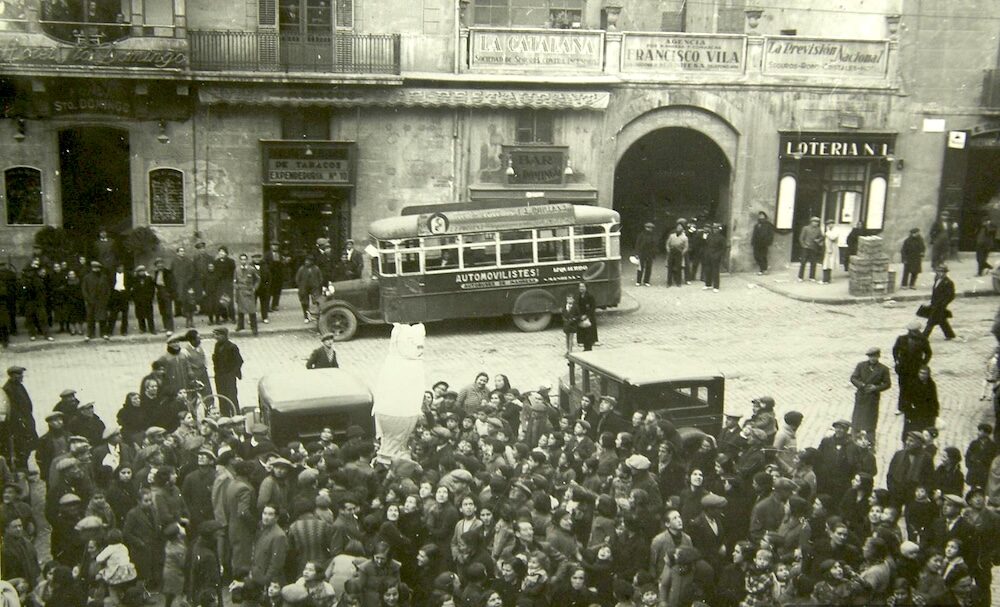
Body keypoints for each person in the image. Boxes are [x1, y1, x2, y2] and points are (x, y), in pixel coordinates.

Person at [849, 347, 891, 439]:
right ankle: (854, 439)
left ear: (878, 356)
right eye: (871, 356)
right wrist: (862, 385)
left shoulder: (883, 369)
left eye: (875, 356)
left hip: (873, 398)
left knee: (870, 423)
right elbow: (853, 378)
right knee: (857, 421)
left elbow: (887, 384)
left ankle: (870, 442)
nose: (872, 358)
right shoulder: (861, 366)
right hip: (861, 396)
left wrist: (876, 388)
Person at [893, 320, 932, 417]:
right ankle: (902, 407)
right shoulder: (901, 339)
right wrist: (897, 360)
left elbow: (928, 353)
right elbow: (895, 350)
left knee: (916, 386)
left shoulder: (923, 340)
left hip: (916, 368)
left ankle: (916, 405)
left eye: (916, 331)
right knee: (903, 387)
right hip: (903, 368)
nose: (914, 332)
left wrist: (923, 363)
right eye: (912, 331)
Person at [2, 366, 37, 470]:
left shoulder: (18, 386)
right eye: (19, 374)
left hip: (26, 420)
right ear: (12, 375)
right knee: (21, 446)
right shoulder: (8, 389)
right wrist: (21, 421)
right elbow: (11, 409)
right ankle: (22, 468)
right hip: (19, 424)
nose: (22, 376)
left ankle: (24, 467)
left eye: (21, 374)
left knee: (28, 444)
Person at [212, 327, 243, 411]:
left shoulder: (232, 347)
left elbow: (239, 361)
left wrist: (232, 373)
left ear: (225, 336)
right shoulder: (217, 345)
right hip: (219, 377)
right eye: (215, 335)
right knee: (221, 396)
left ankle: (235, 413)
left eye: (218, 335)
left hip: (229, 377)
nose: (216, 337)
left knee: (231, 397)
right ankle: (224, 414)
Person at [922, 264, 956, 340]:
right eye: (939, 272)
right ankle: (950, 335)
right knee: (942, 320)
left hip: (940, 305)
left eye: (943, 272)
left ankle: (924, 336)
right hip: (934, 303)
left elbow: (951, 295)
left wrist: (943, 304)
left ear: (945, 273)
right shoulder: (936, 279)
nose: (941, 273)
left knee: (931, 321)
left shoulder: (948, 282)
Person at [233, 253, 260, 336]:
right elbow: (234, 280)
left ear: (247, 260)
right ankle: (240, 326)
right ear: (240, 260)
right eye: (242, 259)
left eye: (245, 259)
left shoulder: (251, 269)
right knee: (240, 310)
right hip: (240, 292)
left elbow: (258, 279)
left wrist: (255, 288)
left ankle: (254, 327)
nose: (243, 261)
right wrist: (236, 287)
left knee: (252, 310)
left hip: (249, 292)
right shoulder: (237, 270)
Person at [295, 257, 323, 323]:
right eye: (306, 261)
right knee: (305, 302)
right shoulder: (301, 269)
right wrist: (301, 286)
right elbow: (297, 279)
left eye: (309, 261)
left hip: (314, 288)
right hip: (304, 288)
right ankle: (306, 316)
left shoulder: (316, 269)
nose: (307, 262)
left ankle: (316, 316)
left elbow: (320, 278)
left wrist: (318, 285)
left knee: (317, 301)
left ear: (312, 262)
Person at [153, 258, 176, 337]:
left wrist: (169, 293)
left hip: (166, 292)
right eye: (158, 264)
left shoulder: (168, 272)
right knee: (162, 310)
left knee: (168, 311)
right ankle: (165, 326)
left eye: (161, 263)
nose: (160, 265)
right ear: (156, 266)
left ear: (163, 264)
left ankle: (170, 329)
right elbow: (155, 283)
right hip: (159, 292)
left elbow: (172, 283)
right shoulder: (156, 273)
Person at [702, 224, 726, 292]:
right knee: (708, 270)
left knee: (715, 271)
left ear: (719, 229)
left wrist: (718, 255)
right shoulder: (709, 236)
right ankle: (708, 284)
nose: (715, 230)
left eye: (716, 228)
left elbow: (723, 248)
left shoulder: (722, 238)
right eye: (714, 228)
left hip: (716, 256)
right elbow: (705, 244)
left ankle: (716, 286)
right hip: (708, 255)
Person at [797, 216, 823, 281]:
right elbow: (801, 238)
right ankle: (800, 277)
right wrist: (803, 245)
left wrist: (818, 240)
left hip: (814, 247)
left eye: (817, 222)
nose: (816, 223)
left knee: (813, 262)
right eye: (814, 222)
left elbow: (821, 237)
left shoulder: (818, 229)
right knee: (803, 262)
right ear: (811, 222)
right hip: (806, 248)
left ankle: (812, 277)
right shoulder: (805, 228)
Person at [132, 265, 156, 334]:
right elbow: (133, 291)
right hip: (138, 301)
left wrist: (150, 297)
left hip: (147, 300)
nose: (141, 273)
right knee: (140, 315)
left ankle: (152, 329)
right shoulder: (135, 279)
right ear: (138, 272)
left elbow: (152, 289)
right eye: (140, 271)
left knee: (150, 315)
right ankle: (142, 328)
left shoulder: (149, 278)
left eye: (143, 271)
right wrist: (135, 299)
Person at [574, 282, 597, 351]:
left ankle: (588, 348)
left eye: (583, 287)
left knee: (588, 333)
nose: (581, 288)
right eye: (580, 287)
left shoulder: (590, 296)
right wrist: (580, 315)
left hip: (589, 317)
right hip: (581, 317)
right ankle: (585, 347)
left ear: (586, 288)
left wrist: (586, 315)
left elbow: (593, 307)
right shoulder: (579, 296)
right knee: (582, 333)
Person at [263, 242, 285, 311]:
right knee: (269, 291)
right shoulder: (267, 254)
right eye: (273, 245)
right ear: (271, 246)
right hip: (270, 275)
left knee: (277, 291)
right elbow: (264, 264)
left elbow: (282, 264)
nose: (275, 247)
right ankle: (267, 306)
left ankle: (275, 305)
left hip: (278, 275)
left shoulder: (280, 254)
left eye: (276, 246)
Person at [634, 222, 657, 286]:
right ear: (645, 228)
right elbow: (637, 244)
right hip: (642, 253)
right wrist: (636, 253)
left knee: (648, 268)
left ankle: (646, 281)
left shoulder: (653, 236)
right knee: (640, 267)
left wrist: (654, 254)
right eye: (648, 228)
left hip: (649, 253)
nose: (649, 229)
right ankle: (638, 281)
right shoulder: (641, 235)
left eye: (651, 228)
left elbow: (654, 246)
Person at [665, 223, 688, 287]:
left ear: (682, 229)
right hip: (672, 252)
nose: (679, 229)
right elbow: (667, 243)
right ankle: (669, 282)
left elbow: (686, 247)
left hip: (679, 252)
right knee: (670, 268)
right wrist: (668, 250)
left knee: (678, 268)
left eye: (680, 228)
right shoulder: (671, 236)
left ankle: (678, 282)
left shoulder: (685, 238)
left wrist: (682, 253)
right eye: (678, 227)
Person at [821, 219, 839, 284]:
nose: (830, 225)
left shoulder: (835, 230)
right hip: (828, 249)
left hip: (832, 249)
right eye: (828, 224)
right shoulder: (829, 231)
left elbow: (833, 237)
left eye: (831, 224)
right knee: (827, 264)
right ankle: (826, 279)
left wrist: (827, 233)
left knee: (828, 264)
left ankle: (826, 280)